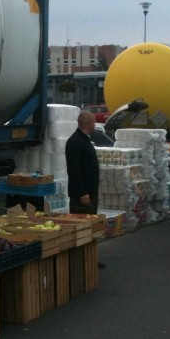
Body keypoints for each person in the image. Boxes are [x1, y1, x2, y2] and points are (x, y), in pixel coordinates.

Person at [65, 110, 104, 268]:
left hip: (90, 193)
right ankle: (81, 260)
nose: (95, 125)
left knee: (91, 227)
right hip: (82, 196)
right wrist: (82, 192)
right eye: (94, 122)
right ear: (88, 124)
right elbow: (73, 171)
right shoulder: (75, 142)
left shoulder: (85, 140)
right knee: (82, 227)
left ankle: (90, 258)